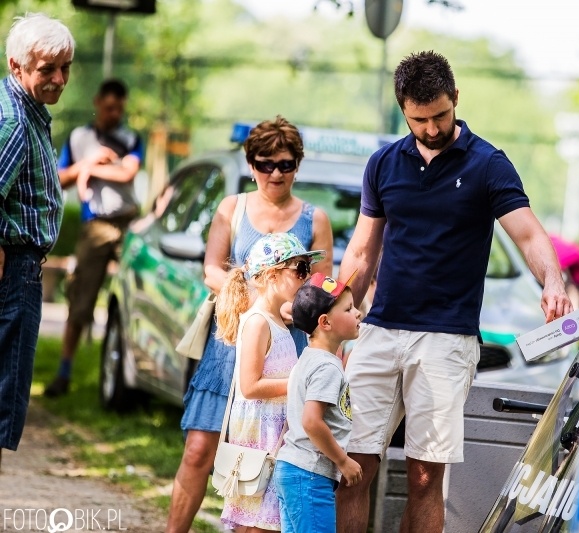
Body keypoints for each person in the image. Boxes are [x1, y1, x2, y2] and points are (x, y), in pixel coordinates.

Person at [335, 50, 573, 533]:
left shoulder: (488, 164)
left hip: (446, 340)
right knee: (351, 468)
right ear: (403, 108)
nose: (430, 128)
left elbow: (528, 234)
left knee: (425, 476)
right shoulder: (383, 163)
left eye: (440, 115)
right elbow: (361, 254)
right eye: (418, 119)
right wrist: (332, 317)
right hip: (378, 332)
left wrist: (553, 280)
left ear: (456, 99)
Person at [166, 116, 334, 533]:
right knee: (198, 450)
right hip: (229, 344)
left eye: (286, 164)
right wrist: (258, 300)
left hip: (284, 350)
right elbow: (211, 270)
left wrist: (300, 310)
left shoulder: (316, 219)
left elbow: (321, 287)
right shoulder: (232, 208)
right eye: (265, 164)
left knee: (272, 456)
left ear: (298, 165)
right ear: (250, 163)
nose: (275, 173)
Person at [0, 13, 74, 465]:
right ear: (17, 66)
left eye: (66, 67)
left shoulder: (27, 110)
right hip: (14, 271)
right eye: (48, 69)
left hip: (21, 268)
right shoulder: (12, 120)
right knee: (2, 402)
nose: (60, 79)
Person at [215, 232, 325, 531]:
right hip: (258, 440)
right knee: (256, 524)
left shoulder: (279, 322)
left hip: (275, 438)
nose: (307, 277)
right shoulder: (257, 322)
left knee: (268, 523)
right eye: (300, 269)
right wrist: (298, 384)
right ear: (271, 274)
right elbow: (249, 387)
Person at [44, 78, 143, 397]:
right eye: (109, 106)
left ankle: (134, 373)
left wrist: (91, 170)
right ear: (98, 102)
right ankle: (64, 371)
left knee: (137, 294)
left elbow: (128, 172)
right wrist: (86, 164)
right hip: (96, 225)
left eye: (119, 108)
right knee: (81, 298)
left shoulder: (130, 137)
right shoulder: (78, 137)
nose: (114, 113)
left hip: (127, 221)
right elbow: (59, 178)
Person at [274, 272, 363, 533]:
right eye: (348, 309)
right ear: (325, 322)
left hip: (295, 471)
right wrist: (343, 461)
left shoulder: (309, 358)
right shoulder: (327, 368)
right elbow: (311, 422)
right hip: (309, 475)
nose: (357, 313)